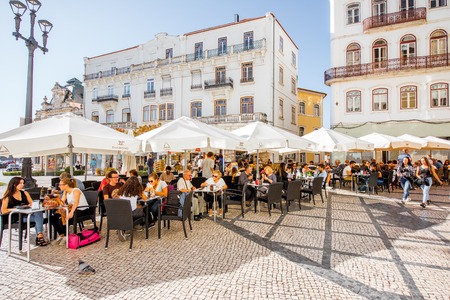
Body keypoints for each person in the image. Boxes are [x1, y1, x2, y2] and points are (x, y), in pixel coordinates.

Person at [1, 177, 48, 246]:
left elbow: (32, 203)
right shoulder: (7, 196)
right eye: (20, 183)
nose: (22, 185)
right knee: (38, 218)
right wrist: (15, 209)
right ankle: (39, 237)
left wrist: (30, 205)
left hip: (26, 215)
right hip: (16, 218)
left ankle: (39, 235)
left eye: (23, 183)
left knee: (38, 212)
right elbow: (3, 211)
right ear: (14, 184)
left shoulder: (25, 193)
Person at [51, 178, 89, 245]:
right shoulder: (66, 191)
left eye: (60, 184)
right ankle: (61, 234)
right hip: (72, 209)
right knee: (53, 217)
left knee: (62, 218)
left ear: (66, 185)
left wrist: (71, 213)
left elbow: (76, 203)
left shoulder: (76, 190)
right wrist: (55, 201)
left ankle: (66, 236)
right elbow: (62, 202)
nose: (59, 186)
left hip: (81, 210)